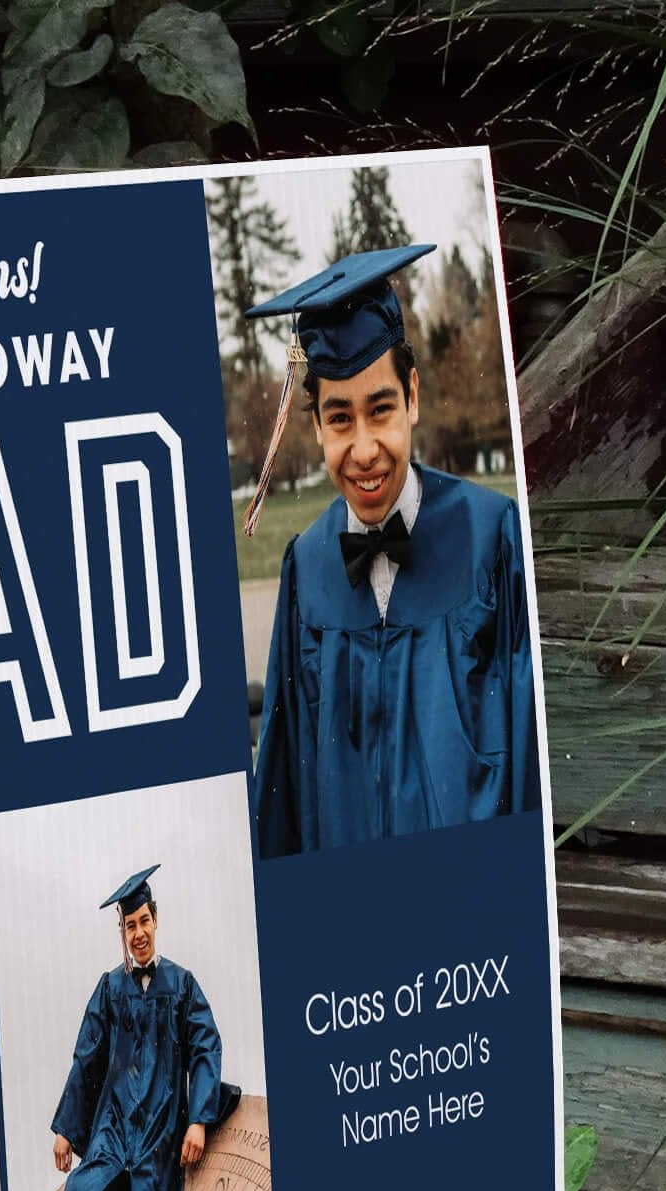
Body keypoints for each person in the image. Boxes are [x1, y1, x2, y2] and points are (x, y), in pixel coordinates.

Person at [244, 245, 541, 859]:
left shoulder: (490, 538)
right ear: (318, 427)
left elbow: (532, 760)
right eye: (340, 419)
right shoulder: (308, 568)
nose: (364, 449)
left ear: (412, 396)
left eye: (380, 410)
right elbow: (283, 797)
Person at [32, 867, 239, 1191]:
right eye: (130, 925)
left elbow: (206, 1046)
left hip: (160, 1129)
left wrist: (199, 1119)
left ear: (156, 921)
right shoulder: (109, 989)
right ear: (122, 932)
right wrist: (67, 1129)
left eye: (144, 921)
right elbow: (87, 1057)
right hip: (113, 1124)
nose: (139, 933)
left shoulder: (181, 985)